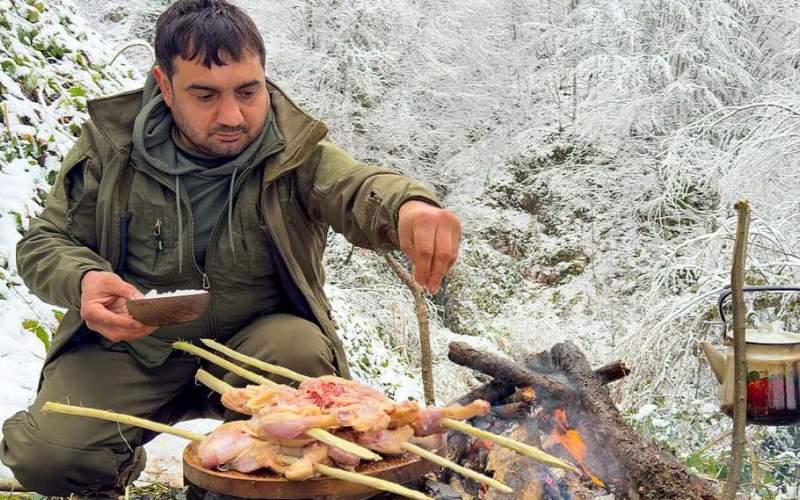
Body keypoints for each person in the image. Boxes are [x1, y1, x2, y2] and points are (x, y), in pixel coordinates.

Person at [0, 0, 461, 495]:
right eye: (204, 95)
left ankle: (248, 479)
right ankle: (108, 470)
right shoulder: (111, 149)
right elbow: (45, 243)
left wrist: (409, 208)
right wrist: (85, 280)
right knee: (50, 456)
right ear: (164, 86)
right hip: (133, 346)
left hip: (257, 346)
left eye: (248, 91)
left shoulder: (292, 151)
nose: (233, 115)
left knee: (300, 357)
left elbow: (353, 186)